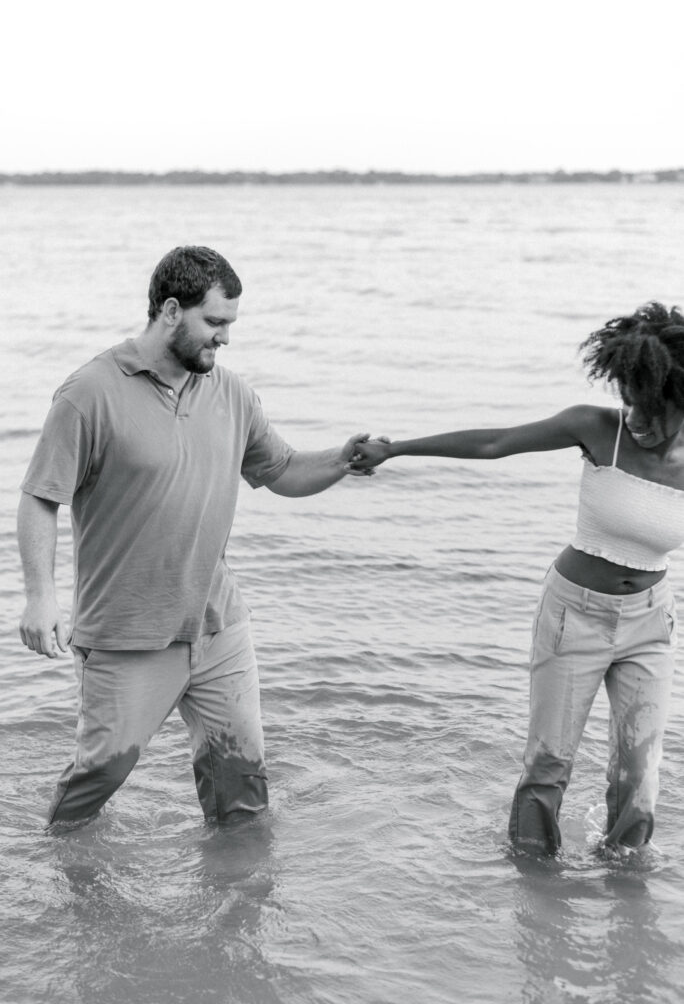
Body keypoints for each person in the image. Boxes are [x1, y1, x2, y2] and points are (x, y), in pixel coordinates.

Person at [18, 245, 371, 827]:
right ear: (171, 310)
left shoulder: (231, 393)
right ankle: (55, 878)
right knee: (96, 783)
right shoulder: (88, 393)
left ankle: (235, 905)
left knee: (242, 787)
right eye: (215, 323)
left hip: (218, 626)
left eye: (230, 324)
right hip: (126, 633)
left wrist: (342, 460)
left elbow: (281, 470)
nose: (225, 338)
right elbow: (39, 497)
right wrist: (40, 596)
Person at [351, 302, 684, 857]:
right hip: (572, 614)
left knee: (639, 778)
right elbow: (495, 442)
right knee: (549, 762)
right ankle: (534, 892)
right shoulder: (597, 429)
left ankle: (628, 900)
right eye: (626, 401)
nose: (635, 418)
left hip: (651, 622)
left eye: (649, 407)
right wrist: (396, 448)